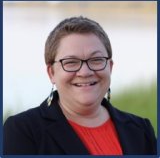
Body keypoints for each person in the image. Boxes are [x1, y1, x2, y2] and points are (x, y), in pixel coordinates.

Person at [3, 16, 156, 155]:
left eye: (96, 60)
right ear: (51, 73)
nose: (85, 71)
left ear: (110, 67)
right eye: (70, 62)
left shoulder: (141, 130)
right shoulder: (22, 131)